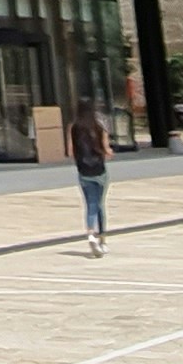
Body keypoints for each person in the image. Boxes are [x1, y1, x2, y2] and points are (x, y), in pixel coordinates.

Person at [66, 96, 113, 257]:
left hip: (83, 171)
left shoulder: (73, 127)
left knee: (90, 204)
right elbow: (107, 149)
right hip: (99, 170)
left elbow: (70, 151)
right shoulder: (99, 125)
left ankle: (91, 233)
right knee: (100, 204)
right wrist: (106, 152)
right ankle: (102, 240)